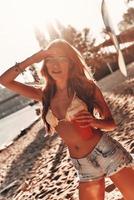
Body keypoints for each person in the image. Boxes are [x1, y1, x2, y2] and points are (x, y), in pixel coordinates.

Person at [0, 39, 134, 200]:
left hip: (107, 152)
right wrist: (34, 58)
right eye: (50, 61)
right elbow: (4, 80)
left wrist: (95, 122)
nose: (55, 65)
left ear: (70, 63)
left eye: (61, 60)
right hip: (82, 164)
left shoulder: (87, 87)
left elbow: (111, 124)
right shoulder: (44, 95)